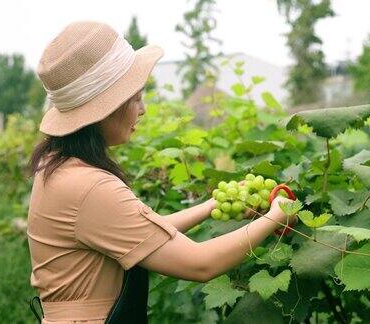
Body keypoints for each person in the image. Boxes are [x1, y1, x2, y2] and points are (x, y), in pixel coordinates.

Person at [26, 21, 293, 324]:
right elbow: (200, 264)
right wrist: (277, 215)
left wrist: (210, 207)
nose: (143, 109)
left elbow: (139, 234)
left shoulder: (59, 167)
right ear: (106, 107)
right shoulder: (89, 187)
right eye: (136, 97)